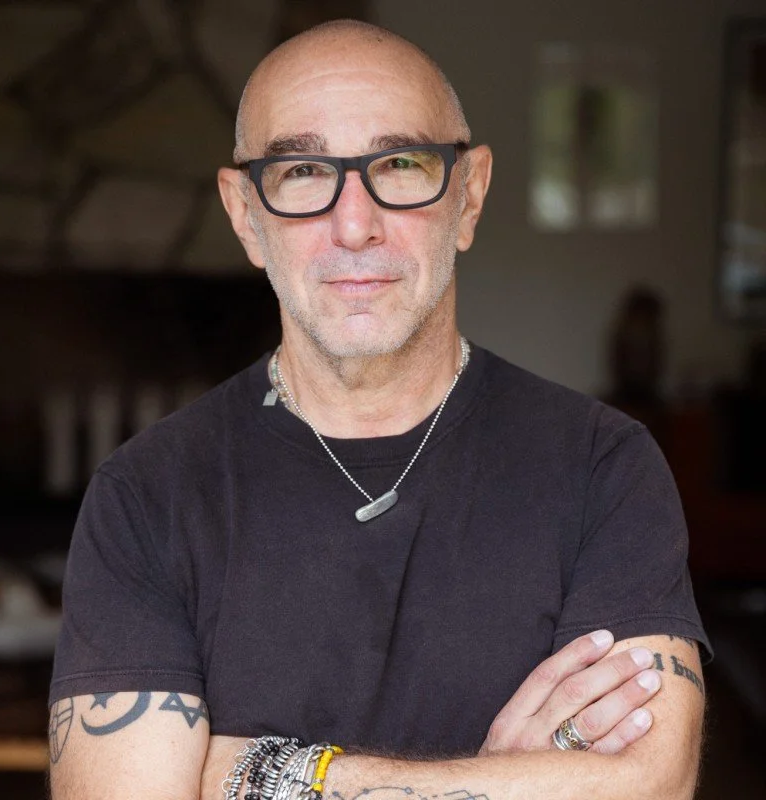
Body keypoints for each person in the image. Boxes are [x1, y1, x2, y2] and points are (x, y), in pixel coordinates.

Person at [48, 19, 710, 800]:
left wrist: (261, 773)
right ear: (245, 215)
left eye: (399, 164)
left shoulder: (604, 466)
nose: (355, 225)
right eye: (301, 171)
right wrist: (501, 780)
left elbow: (651, 785)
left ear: (470, 194)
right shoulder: (145, 495)